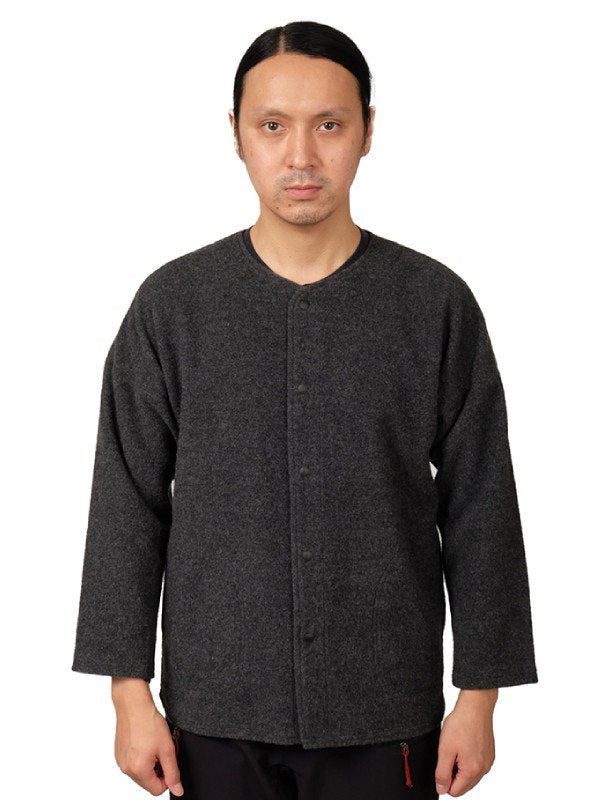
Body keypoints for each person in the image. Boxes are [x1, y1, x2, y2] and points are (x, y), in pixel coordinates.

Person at [71, 20, 538, 800]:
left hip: (385, 708)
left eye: (328, 125)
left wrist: (479, 697)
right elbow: (127, 501)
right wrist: (128, 695)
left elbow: (481, 504)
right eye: (272, 126)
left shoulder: (433, 304)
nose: (300, 157)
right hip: (214, 712)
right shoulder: (173, 306)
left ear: (367, 131)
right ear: (236, 133)